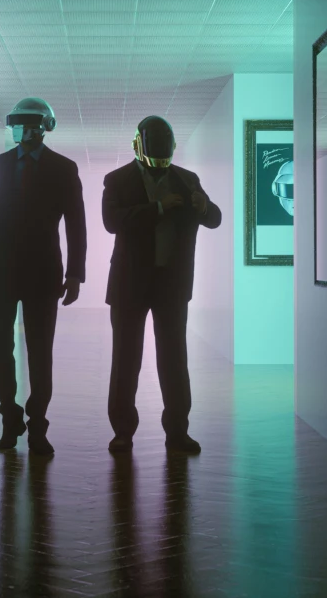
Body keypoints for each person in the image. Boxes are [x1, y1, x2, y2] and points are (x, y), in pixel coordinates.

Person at [102, 115, 221, 454]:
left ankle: (178, 433)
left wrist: (205, 207)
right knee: (126, 360)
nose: (159, 168)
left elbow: (214, 219)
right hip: (129, 287)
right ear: (138, 147)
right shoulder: (117, 180)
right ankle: (122, 432)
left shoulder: (188, 179)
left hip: (172, 286)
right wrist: (157, 207)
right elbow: (112, 222)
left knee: (174, 360)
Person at [0, 97, 86, 455]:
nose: (26, 131)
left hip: (43, 274)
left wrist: (75, 275)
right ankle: (10, 417)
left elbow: (76, 225)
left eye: (33, 124)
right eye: (19, 124)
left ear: (46, 126)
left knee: (40, 353)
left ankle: (38, 425)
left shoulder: (63, 168)